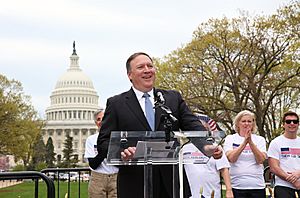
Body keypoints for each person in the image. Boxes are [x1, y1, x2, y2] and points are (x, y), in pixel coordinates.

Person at [96, 52, 223, 198]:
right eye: (141, 67)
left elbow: (193, 125)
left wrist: (207, 146)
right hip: (135, 185)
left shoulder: (172, 98)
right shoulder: (116, 104)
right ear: (130, 75)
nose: (147, 70)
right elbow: (103, 142)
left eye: (150, 66)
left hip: (172, 184)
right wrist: (122, 151)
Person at [183, 114, 233, 198]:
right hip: (191, 193)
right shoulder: (184, 148)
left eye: (204, 129)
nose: (200, 132)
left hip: (212, 193)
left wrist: (229, 190)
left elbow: (224, 169)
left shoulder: (215, 147)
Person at [223, 110, 267, 198]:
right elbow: (231, 159)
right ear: (238, 123)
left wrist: (250, 142)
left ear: (253, 124)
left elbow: (261, 160)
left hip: (257, 186)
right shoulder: (230, 138)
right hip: (236, 186)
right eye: (243, 121)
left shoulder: (260, 139)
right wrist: (244, 143)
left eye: (249, 121)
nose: (246, 124)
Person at [84, 109, 118, 198]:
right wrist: (104, 151)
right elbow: (93, 164)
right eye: (99, 119)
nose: (101, 122)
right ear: (96, 123)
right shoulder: (91, 140)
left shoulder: (118, 138)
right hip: (98, 178)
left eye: (104, 119)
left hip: (116, 177)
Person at [267, 111, 300, 197]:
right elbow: (274, 167)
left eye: (295, 121)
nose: (292, 123)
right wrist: (293, 181)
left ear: (298, 124)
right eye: (288, 121)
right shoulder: (276, 142)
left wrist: (298, 173)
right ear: (283, 124)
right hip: (283, 186)